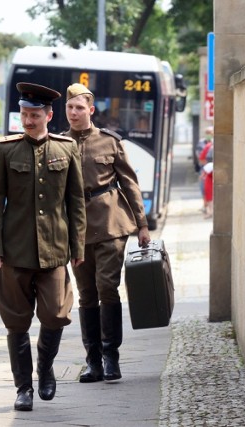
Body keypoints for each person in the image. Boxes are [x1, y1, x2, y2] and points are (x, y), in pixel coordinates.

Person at [0, 82, 87, 411]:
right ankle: (23, 388)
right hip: (14, 251)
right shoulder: (5, 150)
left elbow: (76, 203)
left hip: (55, 250)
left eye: (35, 115)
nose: (28, 121)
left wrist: (78, 245)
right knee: (16, 321)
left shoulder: (66, 148)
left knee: (56, 315)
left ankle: (45, 370)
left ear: (49, 115)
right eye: (24, 115)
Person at [63, 83, 151, 383]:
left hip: (111, 223)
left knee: (106, 287)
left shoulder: (110, 142)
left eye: (79, 107)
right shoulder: (59, 143)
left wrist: (142, 224)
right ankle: (93, 362)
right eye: (69, 107)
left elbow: (130, 183)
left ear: (91, 110)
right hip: (76, 230)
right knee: (86, 295)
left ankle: (111, 356)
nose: (73, 113)